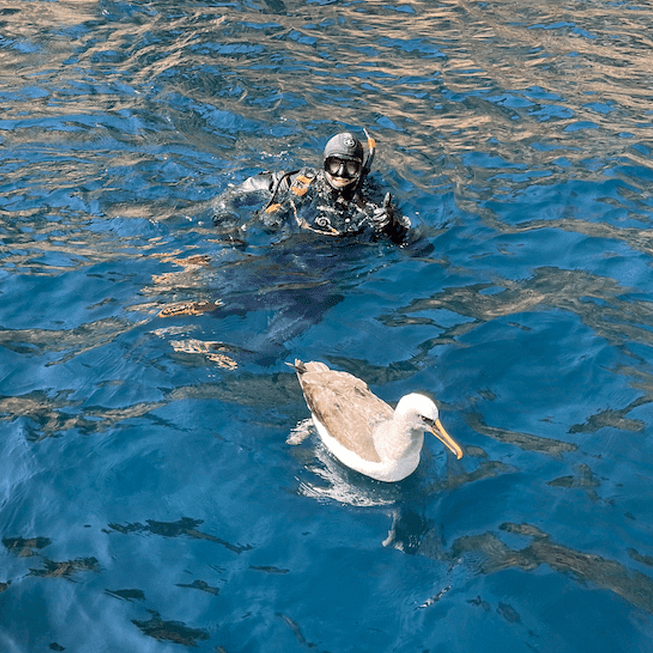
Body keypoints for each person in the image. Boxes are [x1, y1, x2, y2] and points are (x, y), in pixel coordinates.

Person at [212, 130, 410, 243]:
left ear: (360, 170)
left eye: (350, 167)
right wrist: (227, 225)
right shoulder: (299, 182)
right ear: (324, 164)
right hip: (283, 251)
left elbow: (414, 246)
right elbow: (228, 198)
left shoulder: (373, 200)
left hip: (333, 266)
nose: (340, 174)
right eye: (334, 165)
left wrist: (393, 227)